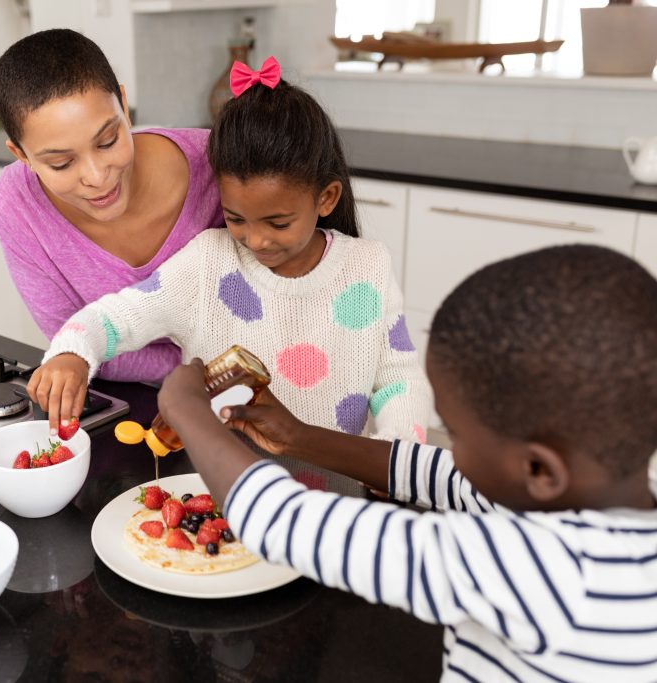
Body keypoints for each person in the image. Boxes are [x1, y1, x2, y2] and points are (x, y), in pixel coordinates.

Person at [158, 244, 657, 682]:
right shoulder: (602, 507)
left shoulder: (541, 570)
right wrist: (302, 438)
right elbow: (444, 476)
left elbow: (288, 523)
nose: (452, 448)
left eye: (457, 434)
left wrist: (188, 411)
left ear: (540, 470)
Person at [30, 57, 430, 493]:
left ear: (327, 197)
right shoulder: (206, 264)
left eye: (278, 223)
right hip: (219, 493)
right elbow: (116, 317)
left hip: (327, 498)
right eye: (236, 218)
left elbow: (398, 380)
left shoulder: (367, 267)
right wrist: (72, 352)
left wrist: (397, 465)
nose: (256, 241)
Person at [0, 29, 223, 383]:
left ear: (124, 106)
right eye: (62, 164)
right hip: (151, 402)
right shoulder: (16, 204)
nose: (97, 177)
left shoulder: (219, 162)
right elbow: (71, 342)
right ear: (21, 155)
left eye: (108, 140)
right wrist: (200, 373)